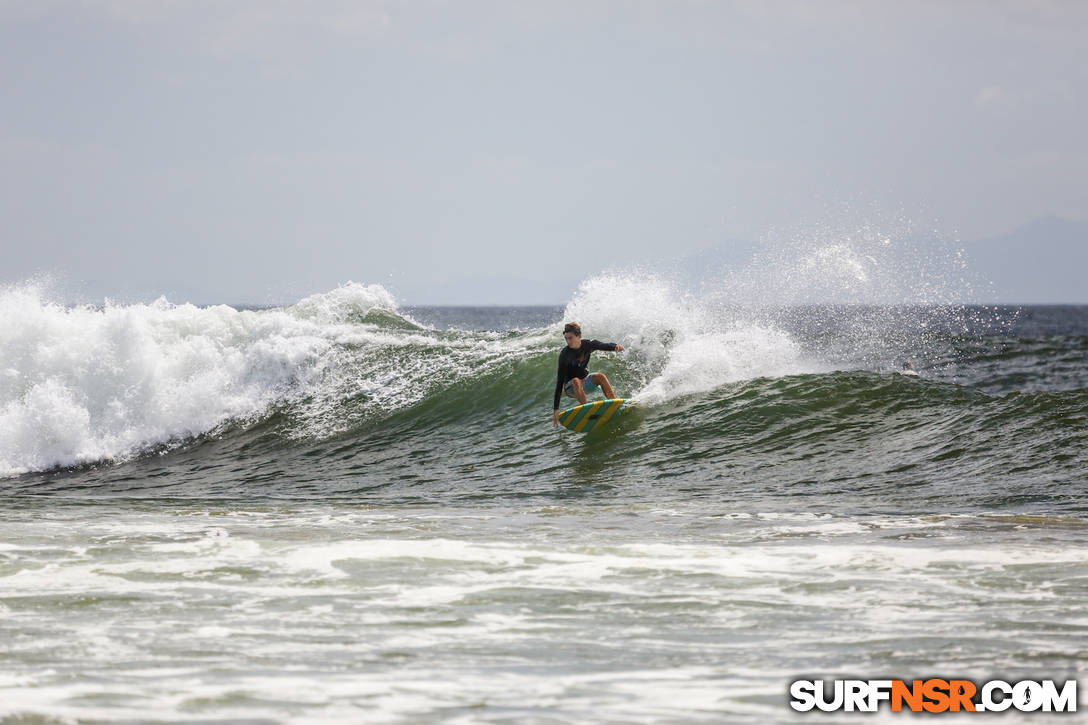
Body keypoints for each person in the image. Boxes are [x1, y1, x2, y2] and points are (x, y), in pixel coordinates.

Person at [552, 322, 625, 427]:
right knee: (576, 381)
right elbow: (559, 382)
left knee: (600, 376)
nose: (568, 341)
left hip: (585, 381)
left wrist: (615, 346)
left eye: (570, 338)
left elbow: (603, 345)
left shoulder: (588, 344)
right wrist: (556, 409)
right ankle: (587, 411)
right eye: (566, 338)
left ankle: (614, 405)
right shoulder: (564, 354)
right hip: (570, 387)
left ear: (579, 336)